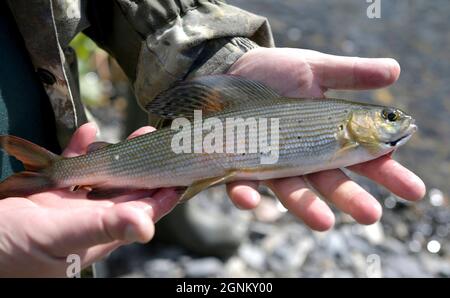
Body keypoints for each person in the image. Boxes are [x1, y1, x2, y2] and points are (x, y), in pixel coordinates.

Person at [0, 1, 425, 277]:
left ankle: (65, 175)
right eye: (388, 116)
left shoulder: (349, 134)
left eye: (389, 116)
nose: (396, 121)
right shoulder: (344, 134)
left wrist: (218, 56)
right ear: (357, 125)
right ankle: (60, 174)